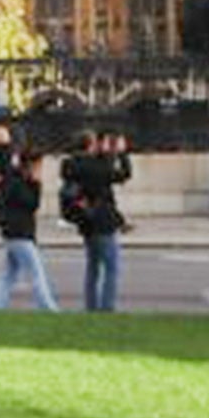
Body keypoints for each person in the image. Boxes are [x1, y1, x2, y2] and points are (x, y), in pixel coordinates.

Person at [62, 130, 130, 311]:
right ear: (90, 145)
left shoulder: (72, 164)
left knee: (92, 268)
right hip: (102, 222)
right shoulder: (95, 167)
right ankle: (107, 307)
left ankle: (91, 306)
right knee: (111, 268)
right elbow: (123, 174)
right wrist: (121, 153)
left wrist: (106, 152)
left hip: (86, 221)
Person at [0, 148, 59, 311]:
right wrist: (36, 183)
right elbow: (32, 204)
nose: (41, 169)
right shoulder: (19, 181)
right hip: (20, 233)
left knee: (8, 276)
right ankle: (49, 309)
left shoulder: (13, 177)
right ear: (31, 165)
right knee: (36, 274)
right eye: (39, 165)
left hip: (12, 232)